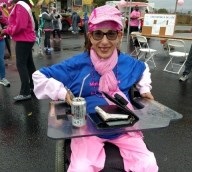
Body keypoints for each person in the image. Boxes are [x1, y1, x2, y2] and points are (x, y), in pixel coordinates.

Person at [32, 5, 158, 172]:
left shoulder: (128, 63)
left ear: (119, 36)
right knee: (81, 168)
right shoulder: (76, 65)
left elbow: (143, 69)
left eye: (111, 34)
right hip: (87, 130)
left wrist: (144, 88)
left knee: (148, 163)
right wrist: (62, 92)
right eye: (98, 34)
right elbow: (39, 76)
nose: (104, 42)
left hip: (124, 128)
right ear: (90, 36)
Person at [0, 0, 36, 101]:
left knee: (21, 64)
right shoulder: (22, 5)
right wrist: (9, 27)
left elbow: (20, 26)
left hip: (23, 39)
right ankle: (33, 87)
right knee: (29, 64)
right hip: (27, 38)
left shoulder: (20, 6)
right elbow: (18, 23)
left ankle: (25, 92)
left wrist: (6, 30)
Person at [0, 9, 10, 87]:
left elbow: (6, 22)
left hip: (0, 39)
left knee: (1, 59)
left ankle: (2, 78)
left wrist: (0, 16)